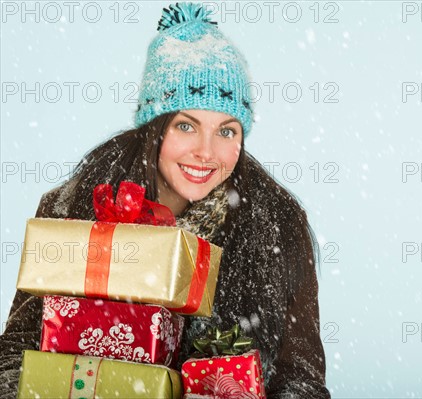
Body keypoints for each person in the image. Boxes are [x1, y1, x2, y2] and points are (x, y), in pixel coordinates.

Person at [0, 3, 331, 398]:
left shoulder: (276, 225)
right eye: (186, 126)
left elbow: (301, 380)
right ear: (155, 128)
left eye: (226, 132)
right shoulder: (77, 209)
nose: (206, 152)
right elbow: (16, 354)